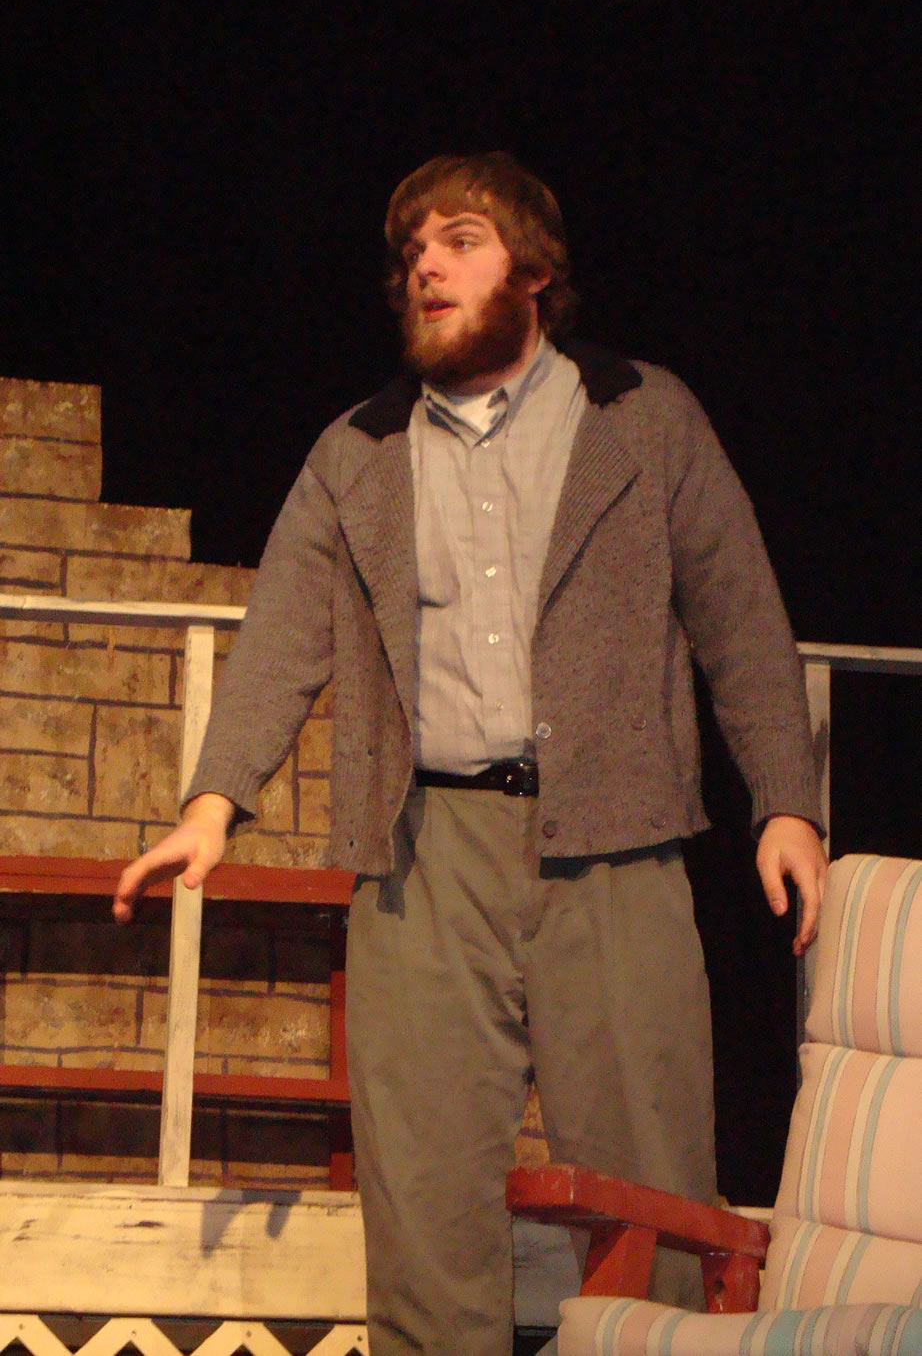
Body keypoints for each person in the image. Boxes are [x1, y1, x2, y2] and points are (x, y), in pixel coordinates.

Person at [115, 152, 827, 1356]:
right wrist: (213, 801)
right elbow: (283, 634)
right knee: (425, 1202)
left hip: (615, 847)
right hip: (423, 859)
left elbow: (739, 616)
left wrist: (785, 803)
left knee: (651, 1189)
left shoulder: (643, 416)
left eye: (458, 241)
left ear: (534, 271)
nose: (425, 270)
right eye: (411, 253)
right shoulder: (358, 449)